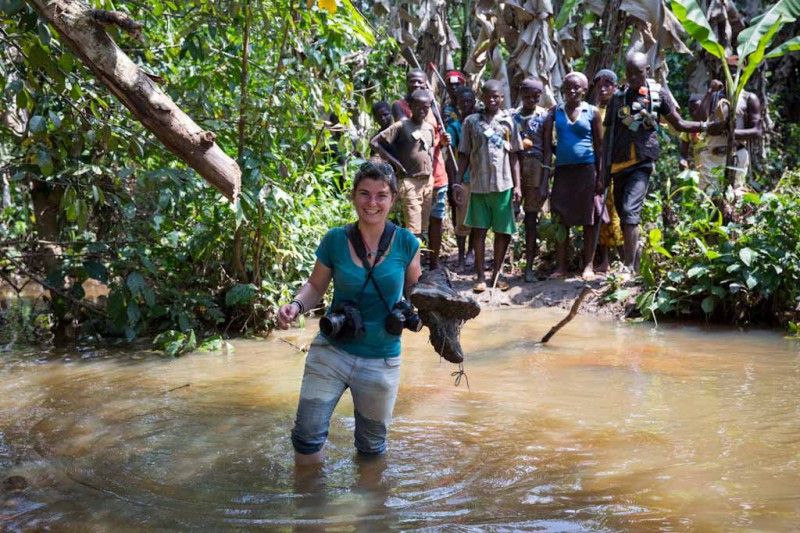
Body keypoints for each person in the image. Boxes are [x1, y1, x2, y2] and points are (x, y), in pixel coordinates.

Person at [277, 161, 422, 465]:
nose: (372, 203)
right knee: (306, 437)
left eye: (381, 196)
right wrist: (296, 305)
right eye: (364, 194)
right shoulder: (335, 240)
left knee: (371, 449)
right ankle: (309, 507)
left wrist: (428, 312)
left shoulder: (407, 243)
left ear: (393, 199)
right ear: (353, 196)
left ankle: (367, 510)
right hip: (332, 351)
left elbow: (416, 293)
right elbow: (315, 286)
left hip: (381, 357)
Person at [603, 52, 724, 279]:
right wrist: (603, 175)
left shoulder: (658, 94)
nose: (634, 77)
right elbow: (608, 136)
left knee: (630, 212)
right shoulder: (618, 97)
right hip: (617, 165)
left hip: (642, 162)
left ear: (647, 70)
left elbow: (678, 124)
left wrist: (706, 126)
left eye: (638, 73)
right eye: (629, 73)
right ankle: (636, 264)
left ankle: (628, 267)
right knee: (623, 213)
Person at [454, 79, 523, 293]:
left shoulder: (509, 122)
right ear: (482, 97)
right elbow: (464, 154)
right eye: (488, 96)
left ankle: (497, 274)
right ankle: (481, 276)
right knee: (479, 230)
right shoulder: (471, 122)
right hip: (478, 185)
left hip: (503, 185)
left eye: (497, 96)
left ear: (502, 98)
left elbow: (514, 156)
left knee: (503, 231)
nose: (492, 100)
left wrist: (518, 186)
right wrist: (457, 182)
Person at [541, 72, 603, 281]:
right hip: (563, 171)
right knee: (560, 217)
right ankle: (561, 266)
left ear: (585, 90)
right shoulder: (554, 113)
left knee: (589, 219)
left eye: (577, 88)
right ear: (562, 90)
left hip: (586, 170)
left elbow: (599, 146)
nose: (572, 91)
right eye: (568, 88)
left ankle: (589, 265)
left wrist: (601, 176)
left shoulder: (592, 112)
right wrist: (545, 177)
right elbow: (548, 148)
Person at [393, 69, 451, 270]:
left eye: (421, 83)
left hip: (435, 173)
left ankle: (434, 266)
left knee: (436, 219)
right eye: (412, 82)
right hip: (412, 176)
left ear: (427, 84)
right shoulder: (401, 107)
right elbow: (409, 131)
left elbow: (432, 139)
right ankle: (410, 269)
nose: (416, 86)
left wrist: (441, 141)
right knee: (412, 227)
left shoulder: (431, 107)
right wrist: (424, 105)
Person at [371, 90, 436, 240]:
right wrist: (396, 163)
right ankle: (412, 262)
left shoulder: (429, 128)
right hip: (410, 181)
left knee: (423, 226)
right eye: (418, 107)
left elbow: (429, 150)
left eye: (425, 107)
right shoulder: (402, 125)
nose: (422, 110)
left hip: (427, 181)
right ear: (410, 106)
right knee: (413, 228)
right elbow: (375, 143)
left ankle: (415, 259)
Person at [692, 72, 762, 192]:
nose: (733, 73)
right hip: (712, 156)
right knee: (708, 197)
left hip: (737, 153)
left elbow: (757, 132)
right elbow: (699, 120)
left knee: (735, 194)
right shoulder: (714, 97)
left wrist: (730, 133)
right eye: (729, 69)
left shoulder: (748, 98)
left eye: (736, 69)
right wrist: (710, 91)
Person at [513, 77, 548, 282]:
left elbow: (547, 149)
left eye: (535, 95)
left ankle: (529, 268)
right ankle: (502, 265)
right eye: (526, 95)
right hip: (515, 168)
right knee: (510, 216)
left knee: (531, 219)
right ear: (520, 94)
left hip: (536, 168)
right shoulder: (511, 116)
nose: (530, 98)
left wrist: (545, 180)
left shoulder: (544, 116)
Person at [590, 69, 624, 274]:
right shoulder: (593, 111)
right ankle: (604, 260)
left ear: (615, 87)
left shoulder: (621, 109)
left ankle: (625, 258)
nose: (603, 89)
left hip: (617, 167)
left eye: (608, 85)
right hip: (596, 169)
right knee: (599, 213)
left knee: (617, 214)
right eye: (599, 85)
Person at [447, 86, 477, 272]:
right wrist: (454, 182)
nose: (465, 105)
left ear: (474, 102)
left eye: (469, 101)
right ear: (457, 104)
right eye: (462, 102)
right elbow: (451, 156)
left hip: (479, 177)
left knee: (476, 219)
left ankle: (471, 254)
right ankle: (460, 257)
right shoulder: (454, 127)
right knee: (462, 221)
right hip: (464, 177)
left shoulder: (479, 122)